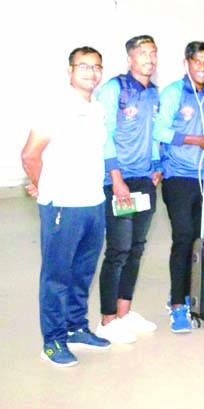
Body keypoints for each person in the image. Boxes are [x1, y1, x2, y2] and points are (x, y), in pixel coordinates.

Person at [22, 46, 111, 366]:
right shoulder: (55, 106)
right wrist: (46, 189)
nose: (91, 72)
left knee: (83, 272)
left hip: (93, 203)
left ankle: (76, 328)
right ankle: (53, 340)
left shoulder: (98, 108)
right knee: (57, 276)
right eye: (83, 66)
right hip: (63, 205)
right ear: (70, 70)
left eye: (97, 66)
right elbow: (30, 155)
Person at [153, 41, 204, 333]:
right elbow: (159, 130)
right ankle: (177, 305)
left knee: (198, 239)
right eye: (197, 61)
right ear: (186, 63)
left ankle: (191, 295)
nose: (202, 67)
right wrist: (197, 140)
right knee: (183, 237)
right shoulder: (174, 92)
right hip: (178, 176)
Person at [94, 35, 162, 344]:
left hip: (144, 181)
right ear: (130, 59)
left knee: (136, 248)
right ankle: (107, 320)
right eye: (143, 54)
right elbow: (105, 135)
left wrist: (157, 163)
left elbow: (156, 132)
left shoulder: (153, 93)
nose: (150, 59)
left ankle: (124, 312)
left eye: (153, 54)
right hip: (118, 180)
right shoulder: (114, 89)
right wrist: (116, 177)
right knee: (118, 250)